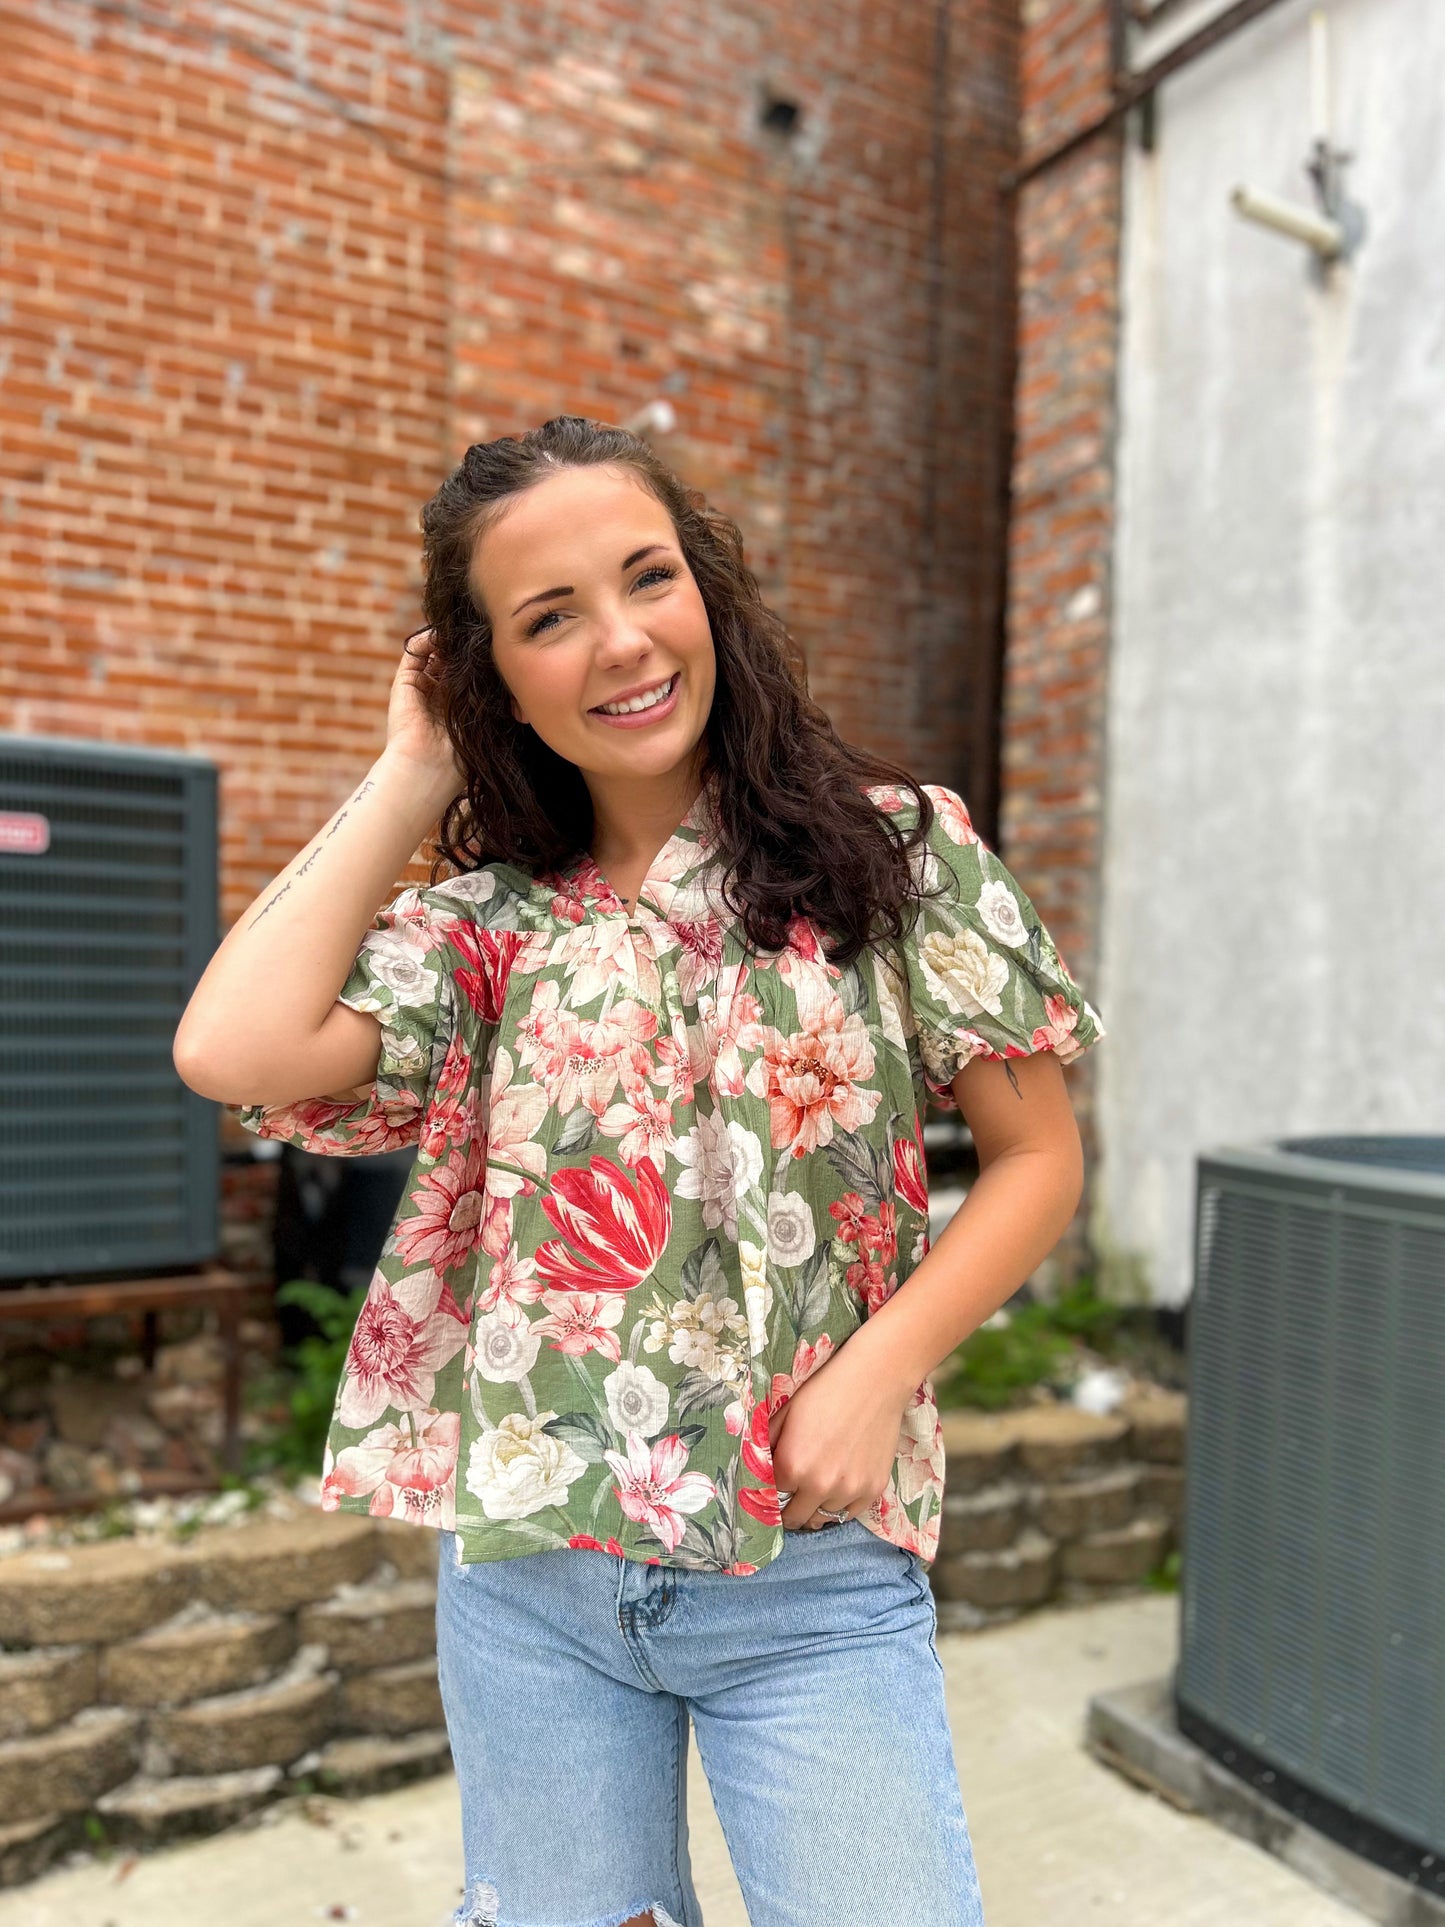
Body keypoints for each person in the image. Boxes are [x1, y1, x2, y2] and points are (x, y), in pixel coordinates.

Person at [174, 416, 1105, 1927]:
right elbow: (231, 1048)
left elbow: (1035, 1159)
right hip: (532, 1578)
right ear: (498, 678)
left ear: (706, 594)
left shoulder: (895, 854)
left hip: (807, 1583)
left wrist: (876, 1375)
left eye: (647, 579)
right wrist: (412, 772)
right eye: (548, 619)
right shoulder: (484, 933)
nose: (621, 643)